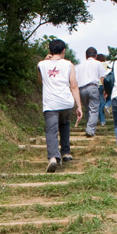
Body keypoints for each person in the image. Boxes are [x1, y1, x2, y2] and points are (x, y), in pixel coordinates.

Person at [38, 39, 83, 173]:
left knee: (51, 130)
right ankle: (66, 153)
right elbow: (73, 85)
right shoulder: (69, 64)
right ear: (63, 51)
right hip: (66, 102)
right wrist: (79, 106)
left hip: (50, 103)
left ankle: (53, 157)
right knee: (64, 124)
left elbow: (41, 81)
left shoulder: (41, 64)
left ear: (50, 51)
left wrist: (45, 61)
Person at [75, 47, 106, 137]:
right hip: (92, 87)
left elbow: (75, 81)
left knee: (88, 109)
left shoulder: (79, 65)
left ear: (86, 56)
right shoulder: (98, 64)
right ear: (96, 56)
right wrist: (105, 90)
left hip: (81, 89)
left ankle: (89, 127)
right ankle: (90, 129)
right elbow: (102, 78)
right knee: (94, 109)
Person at [96, 53, 112, 125]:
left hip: (97, 85)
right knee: (110, 97)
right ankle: (107, 105)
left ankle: (102, 121)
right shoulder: (106, 64)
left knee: (100, 104)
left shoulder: (96, 65)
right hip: (106, 84)